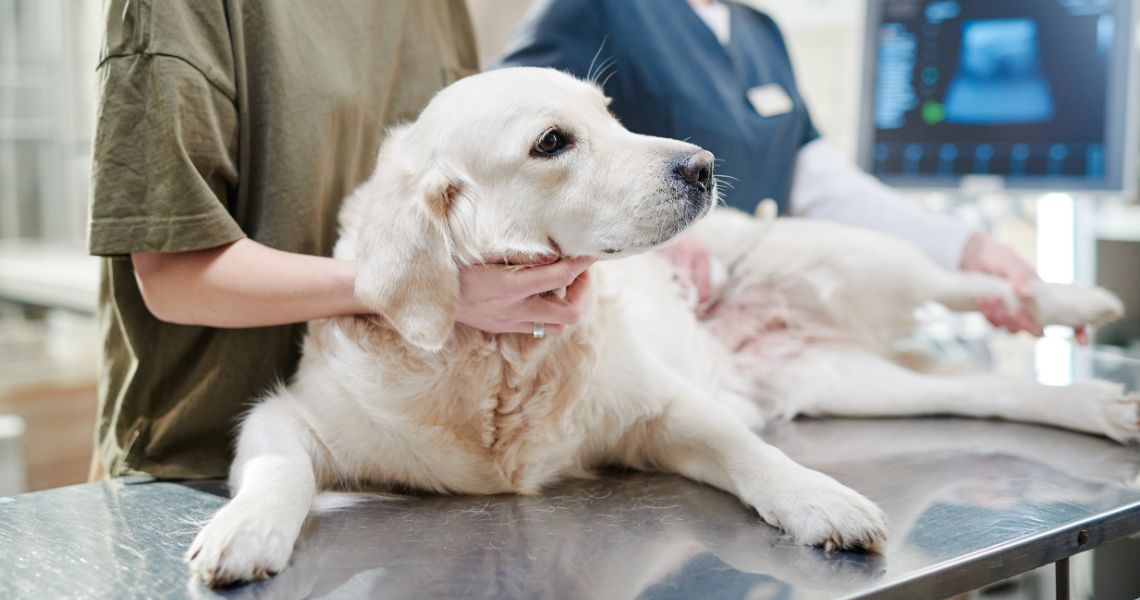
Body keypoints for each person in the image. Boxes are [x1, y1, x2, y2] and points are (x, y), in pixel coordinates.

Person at [87, 0, 591, 480]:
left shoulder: (435, 9)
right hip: (200, 466)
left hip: (404, 454)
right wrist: (418, 287)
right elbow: (174, 277)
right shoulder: (176, 12)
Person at [498, 0, 1050, 338]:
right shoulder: (590, 9)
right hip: (656, 325)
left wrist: (966, 246)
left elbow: (820, 183)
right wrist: (654, 243)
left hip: (764, 317)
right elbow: (507, 156)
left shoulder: (760, 30)